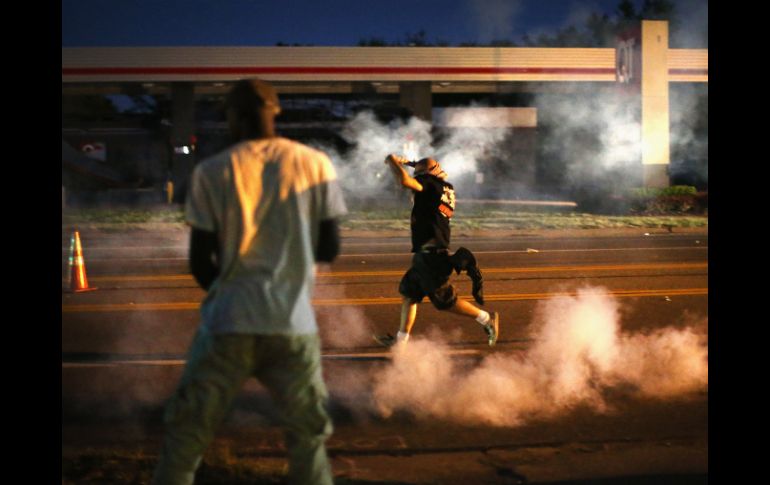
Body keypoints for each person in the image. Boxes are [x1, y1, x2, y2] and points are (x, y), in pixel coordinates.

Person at [151, 78, 347, 485]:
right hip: (292, 326)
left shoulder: (212, 171)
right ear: (275, 112)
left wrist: (231, 290)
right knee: (308, 440)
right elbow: (329, 248)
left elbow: (199, 261)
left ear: (235, 118)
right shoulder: (316, 164)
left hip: (228, 325)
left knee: (185, 438)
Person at [374, 154, 499, 348]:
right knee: (409, 295)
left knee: (445, 302)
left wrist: (391, 160)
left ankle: (486, 319)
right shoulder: (446, 188)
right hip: (426, 254)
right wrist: (408, 163)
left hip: (432, 256)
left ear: (426, 174)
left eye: (419, 175)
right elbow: (425, 168)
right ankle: (401, 343)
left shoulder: (430, 184)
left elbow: (405, 181)